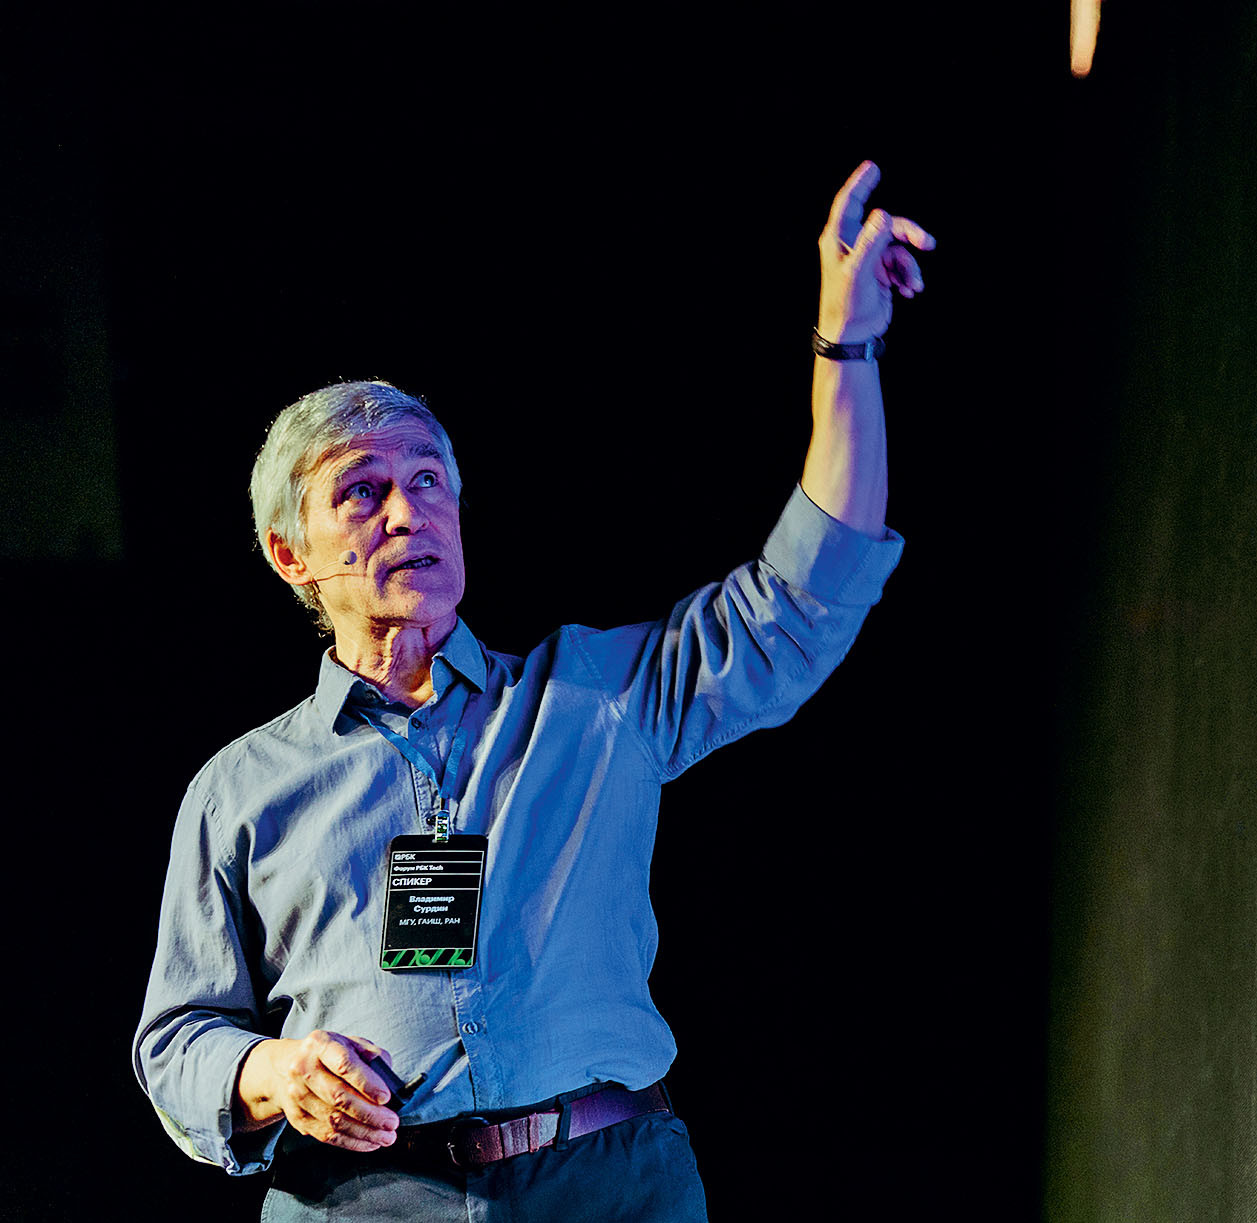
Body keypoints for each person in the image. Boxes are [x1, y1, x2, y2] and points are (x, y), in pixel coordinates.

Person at [133, 163, 934, 1221]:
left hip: (605, 1183)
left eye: (428, 480)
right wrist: (271, 1071)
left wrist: (847, 348)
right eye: (363, 491)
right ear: (292, 555)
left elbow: (801, 597)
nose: (408, 512)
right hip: (358, 1199)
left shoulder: (592, 700)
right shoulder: (240, 786)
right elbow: (176, 1040)